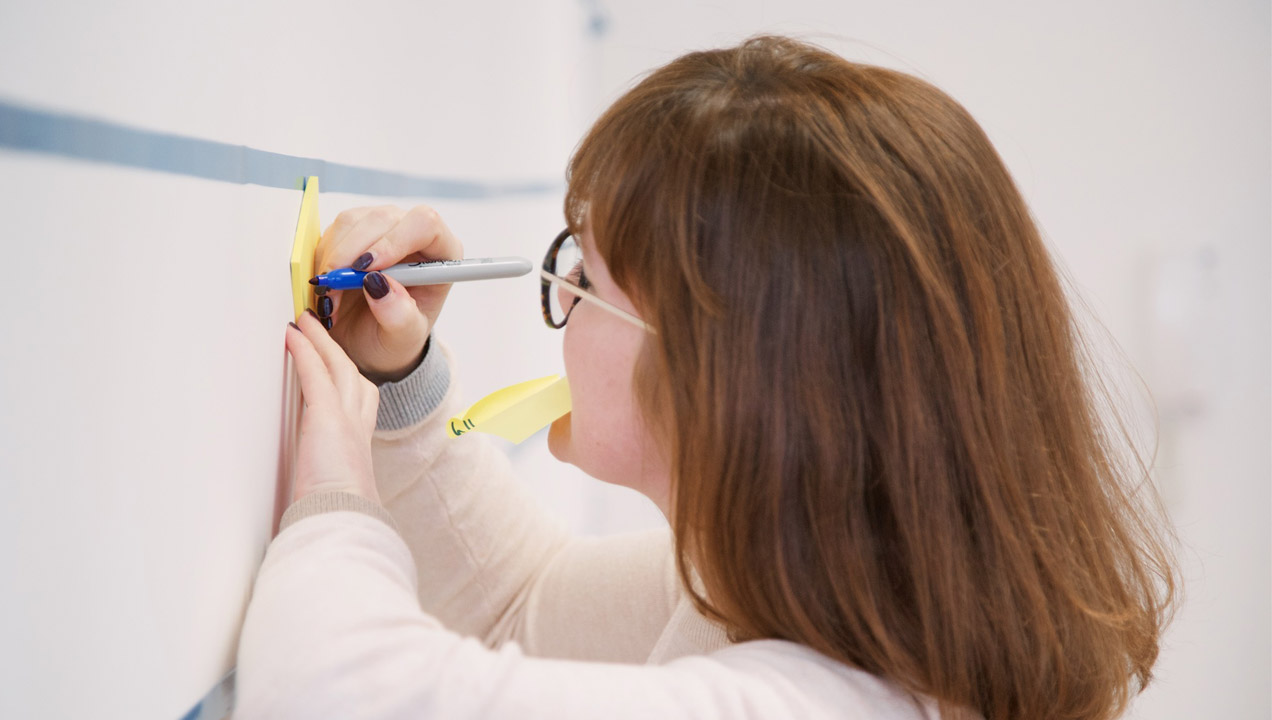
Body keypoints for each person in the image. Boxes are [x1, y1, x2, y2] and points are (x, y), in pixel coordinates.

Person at [236, 35, 1177, 720]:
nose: (561, 300)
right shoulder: (838, 598)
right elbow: (517, 613)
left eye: (585, 277)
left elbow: (326, 693)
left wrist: (334, 493)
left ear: (717, 375)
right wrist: (396, 383)